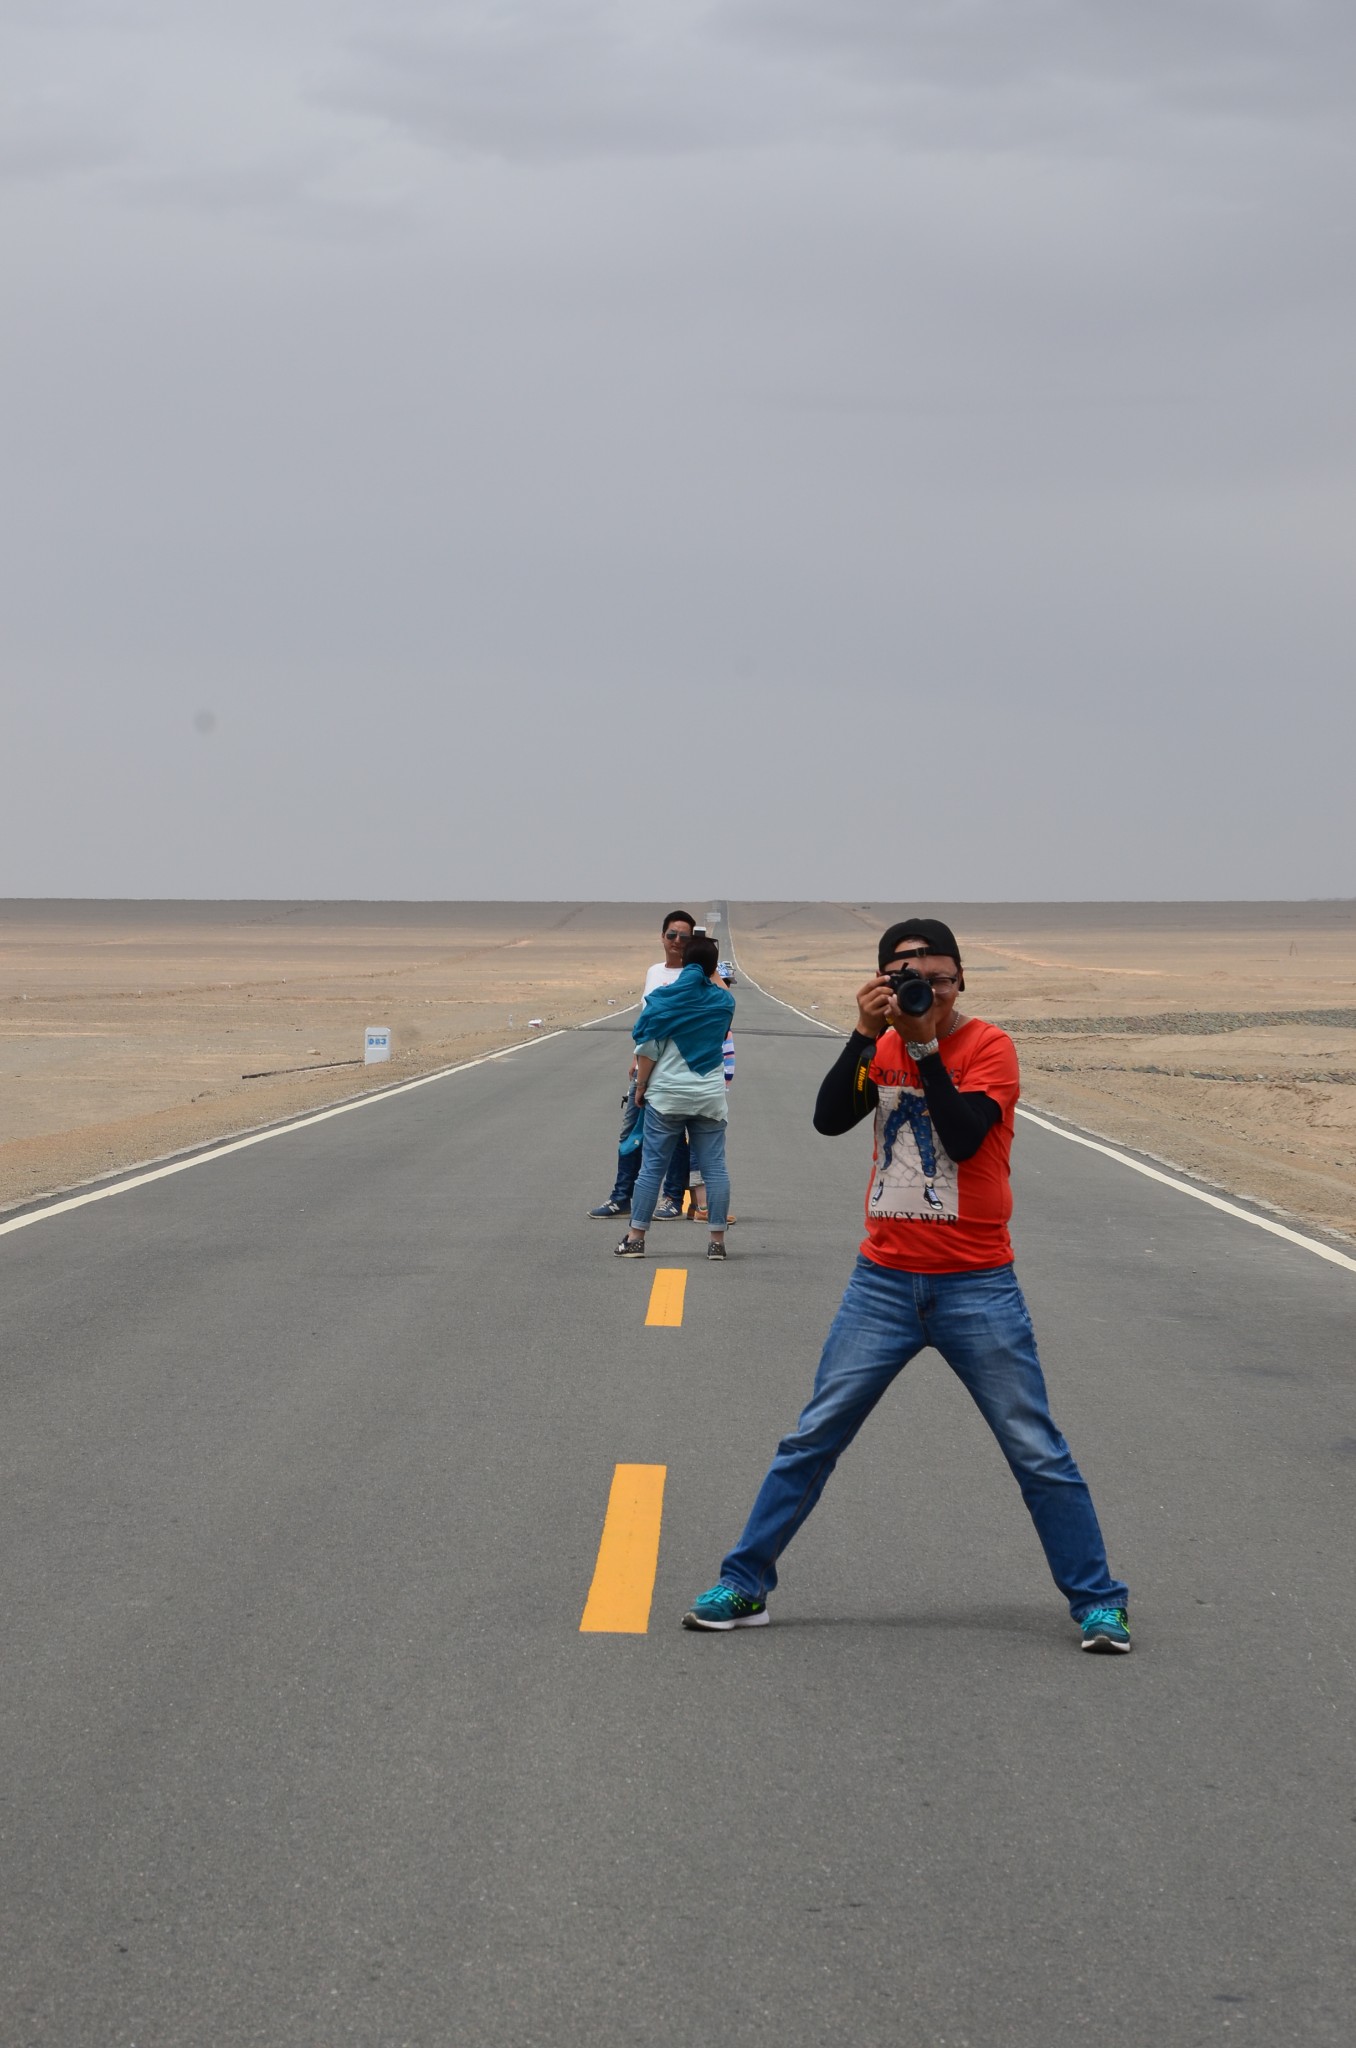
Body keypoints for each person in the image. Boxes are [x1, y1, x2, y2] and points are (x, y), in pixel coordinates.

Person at [681, 916, 1131, 1653]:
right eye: (904, 976)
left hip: (975, 1284)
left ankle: (1099, 1603)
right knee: (813, 1436)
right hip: (884, 1282)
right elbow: (829, 1119)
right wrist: (864, 1034)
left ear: (960, 981)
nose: (926, 989)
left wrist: (923, 1047)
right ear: (884, 982)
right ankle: (745, 1582)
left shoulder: (989, 1048)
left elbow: (962, 1136)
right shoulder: (883, 1041)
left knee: (1036, 1449)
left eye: (939, 977)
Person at [615, 935, 735, 1264]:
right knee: (715, 1170)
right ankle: (716, 1243)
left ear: (683, 963)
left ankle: (636, 1238)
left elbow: (648, 1049)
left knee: (652, 1169)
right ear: (712, 968)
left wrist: (640, 1088)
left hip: (666, 1096)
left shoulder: (663, 1000)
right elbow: (722, 998)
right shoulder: (724, 1003)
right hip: (709, 1097)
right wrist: (711, 969)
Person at [589, 912, 696, 1219]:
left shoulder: (694, 975)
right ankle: (622, 1196)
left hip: (674, 1070)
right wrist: (636, 1057)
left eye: (685, 937)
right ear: (662, 937)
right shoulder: (654, 972)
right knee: (631, 1133)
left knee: (672, 1136)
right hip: (645, 1064)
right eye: (672, 935)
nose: (677, 942)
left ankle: (673, 1198)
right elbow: (645, 1019)